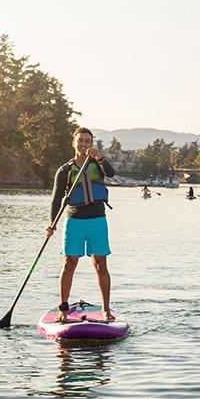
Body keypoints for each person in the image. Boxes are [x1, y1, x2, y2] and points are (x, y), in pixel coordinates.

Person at [46, 127, 116, 322]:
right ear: (74, 143)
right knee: (69, 264)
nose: (84, 144)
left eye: (87, 141)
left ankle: (106, 310)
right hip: (74, 221)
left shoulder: (99, 163)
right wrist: (52, 223)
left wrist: (101, 158)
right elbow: (55, 200)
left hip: (97, 220)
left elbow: (111, 173)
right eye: (81, 141)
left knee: (100, 265)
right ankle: (63, 309)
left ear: (91, 144)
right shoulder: (65, 170)